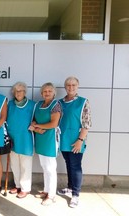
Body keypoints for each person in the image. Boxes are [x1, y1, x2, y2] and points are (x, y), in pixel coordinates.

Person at [57, 76, 92, 208]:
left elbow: (86, 123)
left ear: (77, 86)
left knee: (76, 166)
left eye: (73, 85)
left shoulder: (83, 102)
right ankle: (70, 187)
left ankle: (76, 195)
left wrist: (80, 140)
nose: (71, 87)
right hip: (63, 140)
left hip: (76, 141)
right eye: (68, 85)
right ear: (65, 87)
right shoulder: (60, 102)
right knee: (68, 164)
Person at [29, 82, 61, 205]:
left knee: (51, 168)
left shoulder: (55, 105)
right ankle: (47, 190)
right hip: (41, 139)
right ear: (42, 93)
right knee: (44, 166)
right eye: (45, 91)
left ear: (54, 93)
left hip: (50, 139)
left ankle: (51, 195)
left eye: (49, 91)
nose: (47, 93)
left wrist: (38, 126)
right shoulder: (38, 105)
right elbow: (34, 121)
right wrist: (36, 127)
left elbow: (54, 124)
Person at [6, 82, 35, 198]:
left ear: (25, 92)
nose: (18, 93)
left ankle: (25, 188)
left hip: (26, 139)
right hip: (12, 139)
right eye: (16, 91)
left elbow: (37, 119)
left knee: (25, 165)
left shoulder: (32, 105)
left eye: (21, 91)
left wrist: (34, 124)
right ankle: (17, 185)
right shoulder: (10, 104)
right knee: (14, 164)